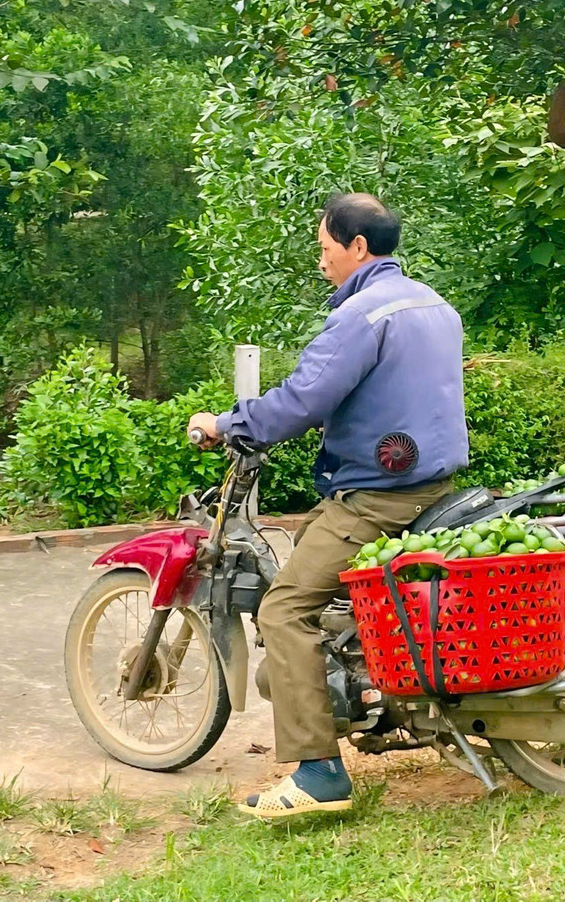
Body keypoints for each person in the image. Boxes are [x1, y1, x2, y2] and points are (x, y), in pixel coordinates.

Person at [188, 192, 468, 818]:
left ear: (357, 247)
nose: (321, 262)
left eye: (324, 248)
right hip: (430, 482)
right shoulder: (433, 303)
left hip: (380, 495)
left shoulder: (363, 316)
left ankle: (318, 773)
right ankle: (367, 696)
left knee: (286, 608)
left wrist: (230, 424)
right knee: (321, 568)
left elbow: (303, 397)